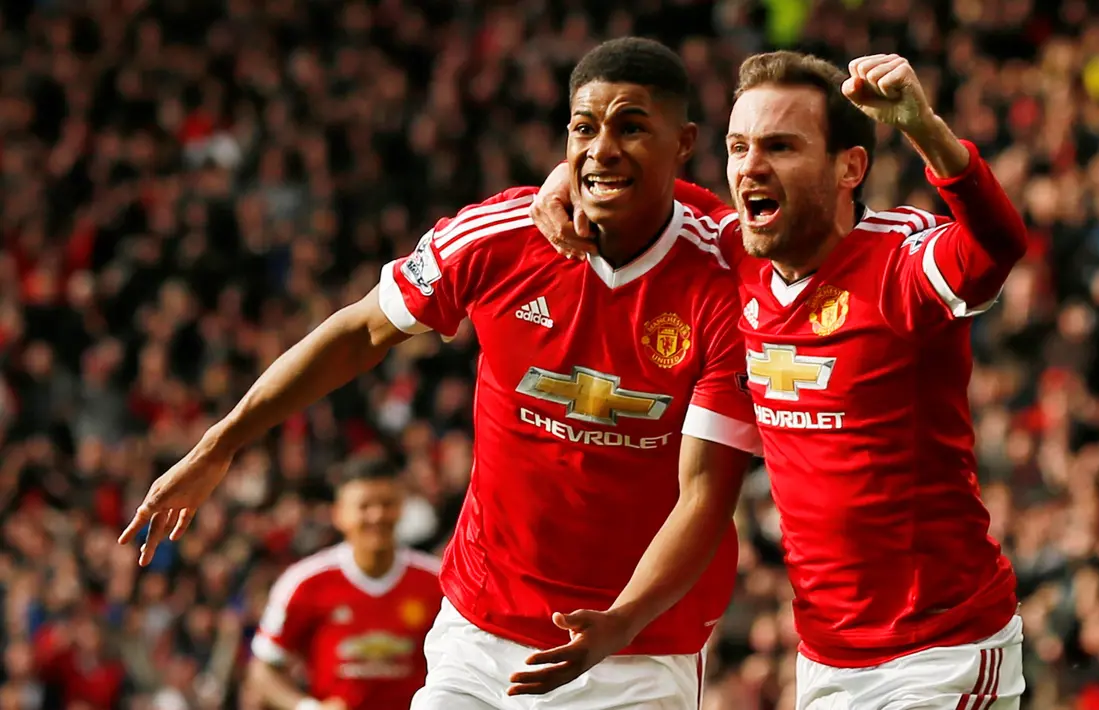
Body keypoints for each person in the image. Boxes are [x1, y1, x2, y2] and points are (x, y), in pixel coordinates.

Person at [119, 38, 759, 709]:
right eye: (583, 128)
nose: (601, 149)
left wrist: (621, 622)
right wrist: (219, 444)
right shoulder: (498, 237)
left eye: (631, 128)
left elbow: (705, 498)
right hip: (481, 632)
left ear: (684, 143)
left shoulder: (724, 280)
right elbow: (359, 332)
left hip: (640, 648)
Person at [533, 51, 1030, 708]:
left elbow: (995, 247)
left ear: (849, 166)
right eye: (738, 146)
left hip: (942, 651)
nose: (750, 167)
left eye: (780, 146)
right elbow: (649, 187)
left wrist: (925, 130)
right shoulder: (732, 253)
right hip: (824, 658)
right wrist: (565, 179)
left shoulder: (899, 260)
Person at [246, 461, 443, 710]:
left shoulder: (438, 581)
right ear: (339, 514)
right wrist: (307, 707)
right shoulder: (305, 582)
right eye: (365, 506)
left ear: (401, 509)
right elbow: (262, 667)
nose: (377, 515)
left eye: (387, 504)